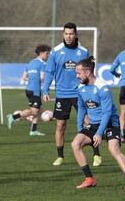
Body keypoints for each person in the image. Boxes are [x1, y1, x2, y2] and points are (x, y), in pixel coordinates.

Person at [71, 56, 125, 192]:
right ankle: (89, 179)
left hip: (110, 124)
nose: (77, 76)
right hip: (93, 124)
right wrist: (80, 130)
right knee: (75, 144)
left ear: (88, 72)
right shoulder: (81, 88)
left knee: (113, 149)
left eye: (78, 73)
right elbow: (81, 109)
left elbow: (107, 113)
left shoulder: (102, 87)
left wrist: (99, 133)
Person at [43, 22, 101, 166]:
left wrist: (92, 88)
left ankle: (96, 155)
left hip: (81, 93)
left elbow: (89, 73)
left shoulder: (83, 51)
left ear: (76, 35)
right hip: (62, 94)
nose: (68, 36)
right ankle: (60, 156)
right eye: (66, 33)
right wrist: (45, 90)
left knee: (89, 122)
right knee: (60, 125)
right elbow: (49, 72)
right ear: (63, 34)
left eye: (71, 33)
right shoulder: (56, 51)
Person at [7, 44, 51, 136]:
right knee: (34, 111)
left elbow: (24, 78)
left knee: (39, 110)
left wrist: (32, 79)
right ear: (41, 53)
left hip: (28, 90)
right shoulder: (43, 64)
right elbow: (42, 78)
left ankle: (33, 130)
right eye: (47, 54)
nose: (48, 55)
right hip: (35, 91)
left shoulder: (30, 63)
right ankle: (14, 116)